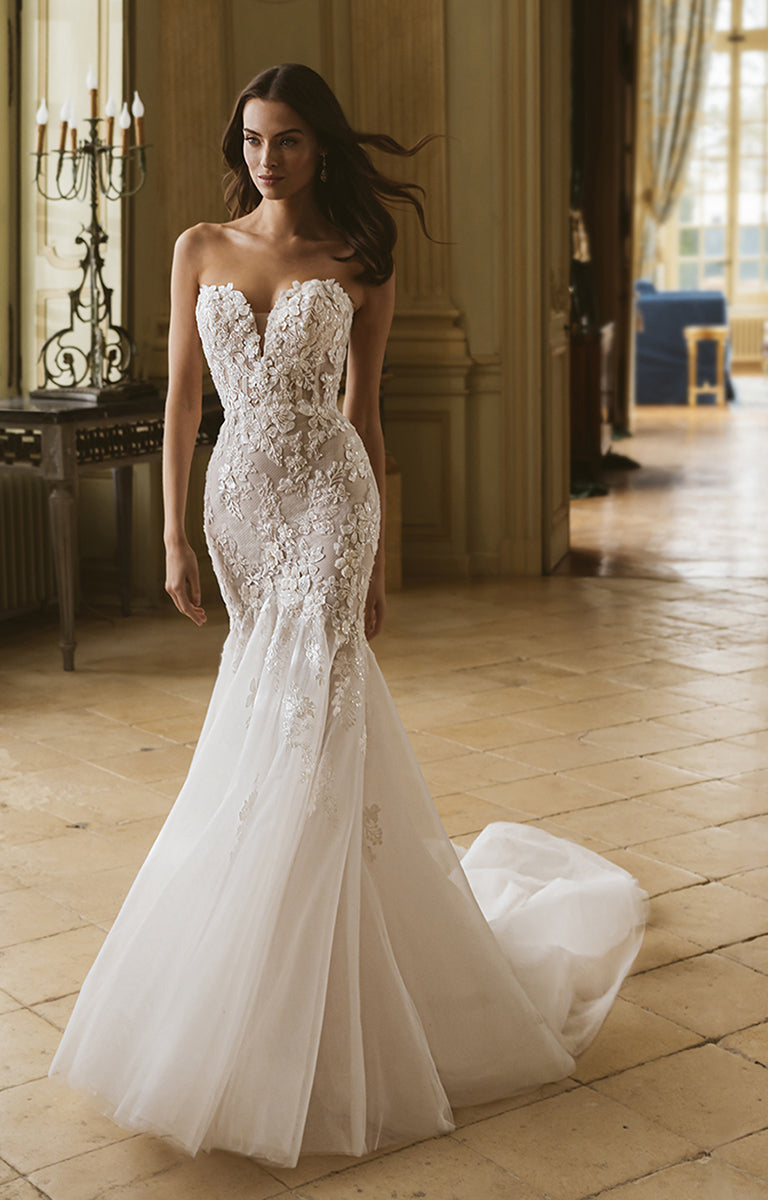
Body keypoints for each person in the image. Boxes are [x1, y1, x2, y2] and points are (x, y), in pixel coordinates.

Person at [49, 63, 648, 1168]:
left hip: (331, 500)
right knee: (263, 709)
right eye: (253, 140)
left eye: (286, 139)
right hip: (238, 504)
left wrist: (373, 556)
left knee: (315, 714)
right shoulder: (198, 248)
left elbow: (363, 412)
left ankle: (306, 976)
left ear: (320, 146)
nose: (267, 159)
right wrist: (173, 534)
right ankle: (266, 959)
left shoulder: (360, 256)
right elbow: (183, 402)